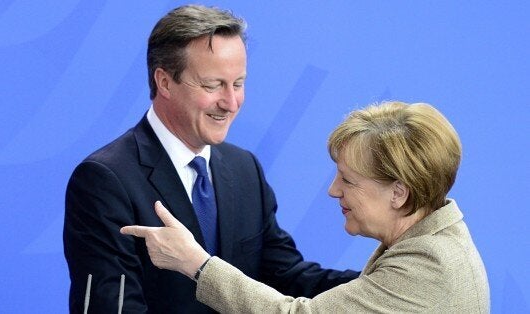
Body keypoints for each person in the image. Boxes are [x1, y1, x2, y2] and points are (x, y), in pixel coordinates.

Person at [63, 4, 358, 313]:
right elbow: (112, 307)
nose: (230, 102)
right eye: (212, 85)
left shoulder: (244, 169)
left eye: (239, 83)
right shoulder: (105, 180)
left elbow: (284, 277)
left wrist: (383, 288)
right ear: (164, 82)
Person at [122, 101, 491, 313]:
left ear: (399, 192)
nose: (333, 190)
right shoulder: (434, 241)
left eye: (348, 180)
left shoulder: (428, 264)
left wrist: (197, 264)